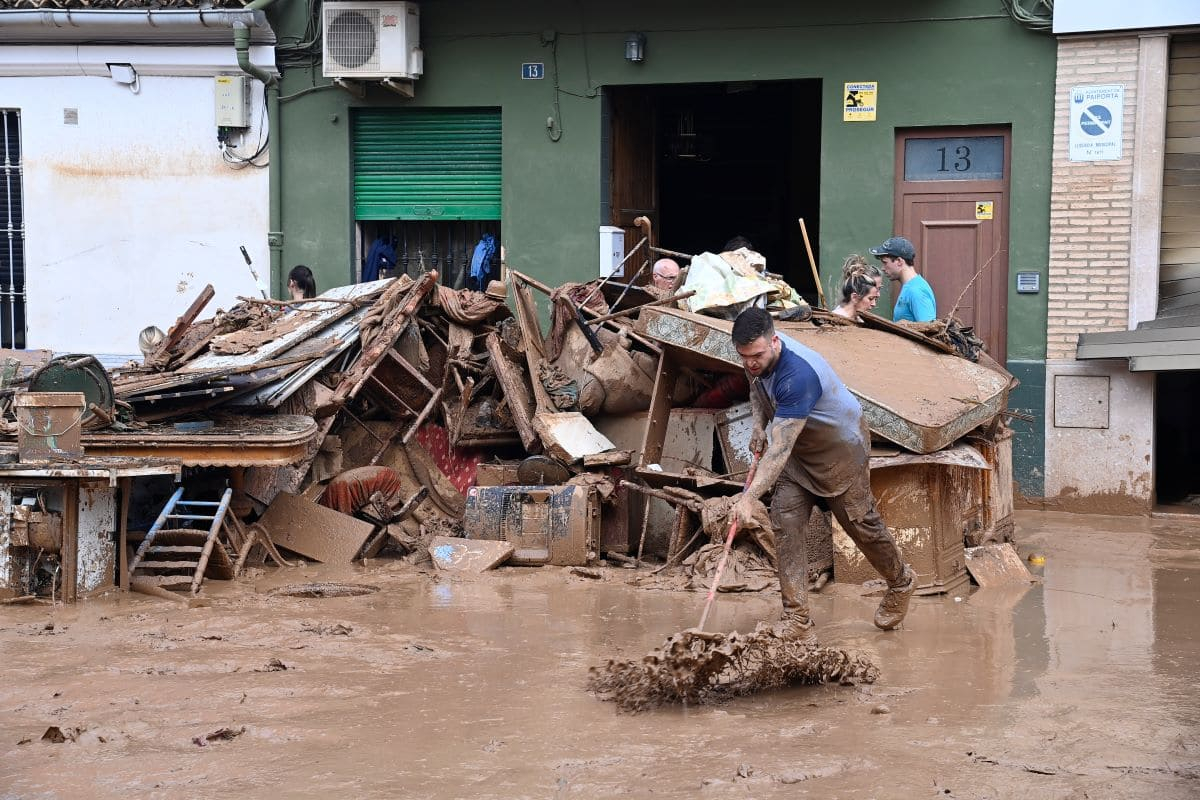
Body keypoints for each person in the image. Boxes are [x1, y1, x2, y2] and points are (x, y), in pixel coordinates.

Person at [728, 307, 916, 639]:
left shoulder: (797, 376)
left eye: (756, 355)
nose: (750, 363)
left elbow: (779, 450)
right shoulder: (755, 358)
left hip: (840, 450)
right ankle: (797, 618)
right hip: (801, 457)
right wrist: (758, 423)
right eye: (744, 357)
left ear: (775, 341)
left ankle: (901, 581)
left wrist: (748, 498)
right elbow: (756, 388)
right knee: (784, 521)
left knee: (862, 527)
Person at [869, 236, 936, 322]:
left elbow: (929, 330)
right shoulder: (910, 287)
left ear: (899, 261)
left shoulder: (916, 291)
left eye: (885, 263)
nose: (882, 268)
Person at [831, 256, 881, 321]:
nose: (874, 304)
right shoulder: (836, 320)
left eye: (875, 299)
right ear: (854, 297)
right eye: (870, 298)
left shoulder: (859, 319)